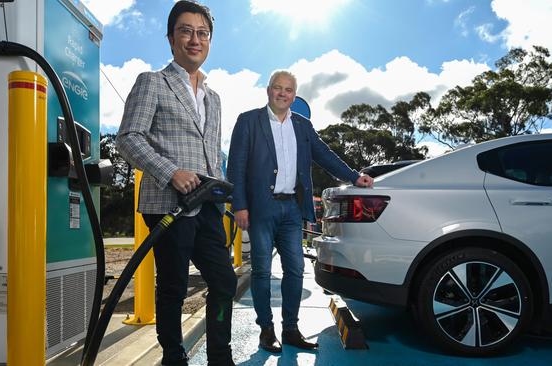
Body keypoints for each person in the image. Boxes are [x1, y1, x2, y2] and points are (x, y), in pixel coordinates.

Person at [116, 1, 236, 365]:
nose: (194, 39)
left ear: (210, 41)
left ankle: (219, 354)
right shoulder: (152, 82)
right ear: (171, 39)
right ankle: (173, 355)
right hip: (168, 205)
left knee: (224, 282)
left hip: (208, 206)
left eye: (202, 33)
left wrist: (224, 191)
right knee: (173, 287)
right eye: (186, 31)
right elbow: (128, 138)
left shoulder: (213, 98)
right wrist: (171, 172)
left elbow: (212, 155)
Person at [226, 70, 373, 353]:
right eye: (278, 88)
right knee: (261, 271)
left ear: (294, 95)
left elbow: (325, 156)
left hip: (292, 208)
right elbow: (237, 167)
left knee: (295, 269)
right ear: (268, 91)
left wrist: (354, 177)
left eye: (289, 90)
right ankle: (266, 331)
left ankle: (291, 329)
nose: (283, 93)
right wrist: (239, 205)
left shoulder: (303, 126)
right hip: (261, 208)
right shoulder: (248, 121)